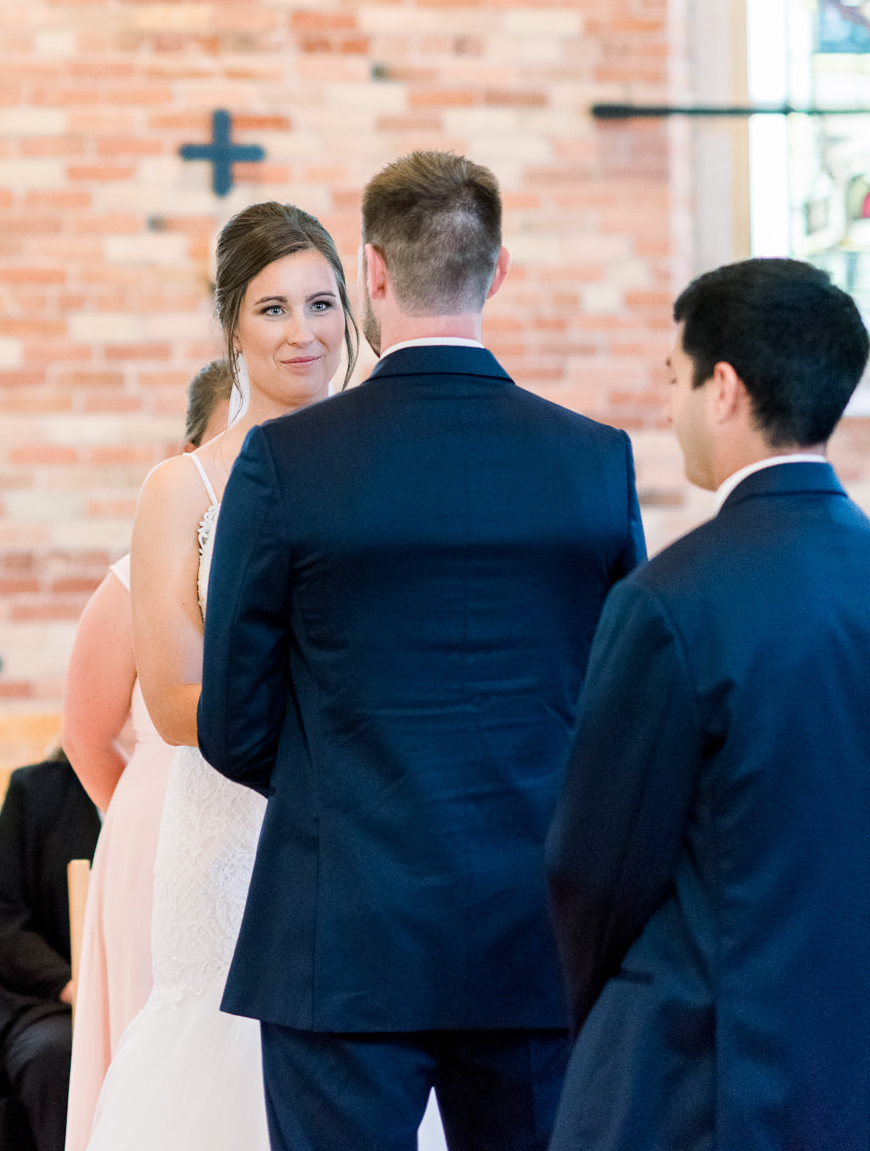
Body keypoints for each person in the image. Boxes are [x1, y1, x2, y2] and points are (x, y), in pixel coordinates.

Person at [198, 152, 645, 1151]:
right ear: (497, 272)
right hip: (534, 927)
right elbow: (625, 713)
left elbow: (232, 722)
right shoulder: (592, 461)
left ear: (370, 275)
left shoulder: (286, 463)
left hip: (340, 927)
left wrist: (338, 791)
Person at [545, 257, 870, 1150]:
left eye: (674, 377)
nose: (668, 406)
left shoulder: (670, 600)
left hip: (704, 1072)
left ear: (722, 388)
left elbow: (594, 871)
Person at [85, 202, 356, 1151]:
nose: (304, 332)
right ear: (232, 325)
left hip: (369, 837)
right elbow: (166, 702)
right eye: (273, 309)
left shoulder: (380, 466)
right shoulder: (184, 490)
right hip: (228, 825)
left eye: (322, 303)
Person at [63, 358, 233, 1151]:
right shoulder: (135, 581)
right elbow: (87, 732)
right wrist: (136, 822)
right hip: (160, 821)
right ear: (191, 447)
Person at [0, 749, 101, 1151]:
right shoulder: (38, 790)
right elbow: (2, 920)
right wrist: (70, 985)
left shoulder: (170, 791)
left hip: (149, 997)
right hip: (48, 1001)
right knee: (60, 1056)